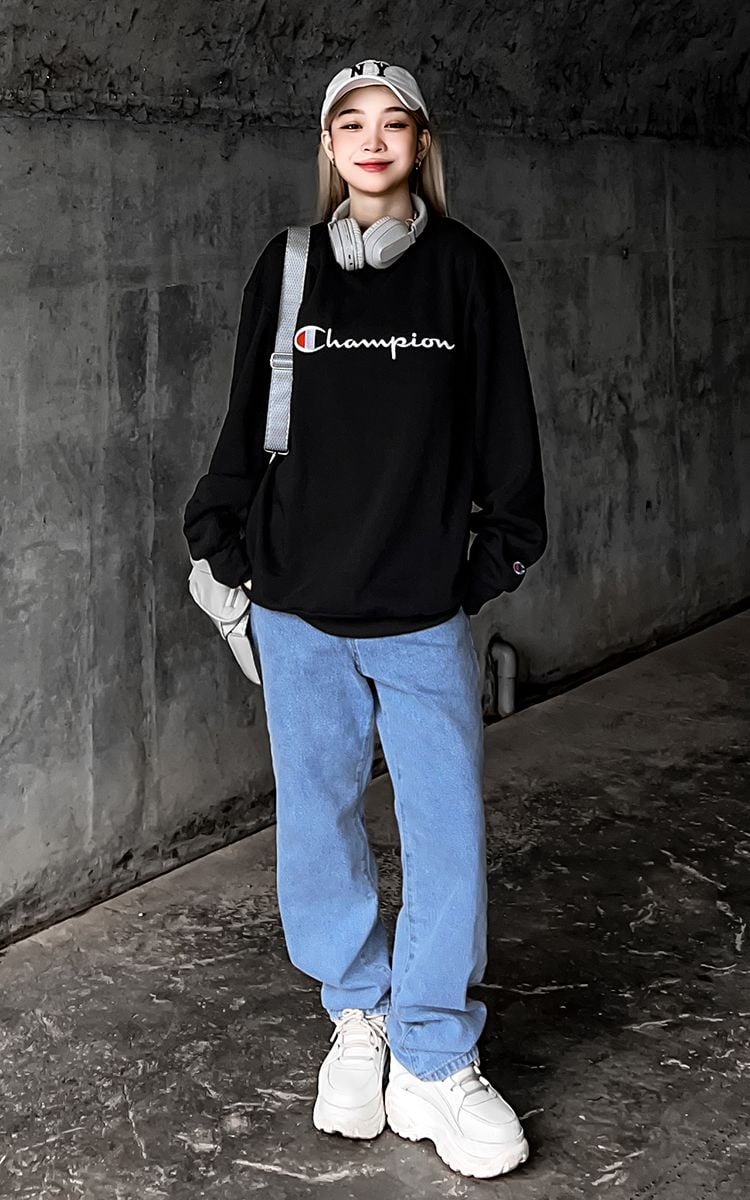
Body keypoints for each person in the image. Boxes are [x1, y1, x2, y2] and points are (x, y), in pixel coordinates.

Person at [183, 58, 547, 1180]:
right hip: (299, 609)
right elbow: (248, 420)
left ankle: (434, 1056)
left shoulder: (466, 272)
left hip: (420, 613)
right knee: (319, 819)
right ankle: (359, 1013)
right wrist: (225, 544)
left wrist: (480, 566)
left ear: (422, 143)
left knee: (446, 831)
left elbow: (506, 438)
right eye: (352, 123)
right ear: (329, 144)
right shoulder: (289, 267)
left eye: (395, 123)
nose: (373, 139)